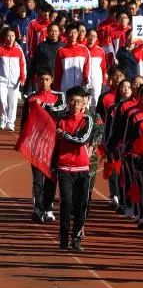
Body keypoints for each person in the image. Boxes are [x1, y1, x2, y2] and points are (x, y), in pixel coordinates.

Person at [22, 67, 65, 222]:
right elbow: (25, 122)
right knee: (37, 178)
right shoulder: (31, 98)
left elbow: (60, 113)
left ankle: (48, 208)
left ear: (52, 80)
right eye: (41, 79)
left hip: (54, 144)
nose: (44, 82)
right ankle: (38, 208)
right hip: (36, 144)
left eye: (47, 79)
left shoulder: (60, 97)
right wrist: (24, 141)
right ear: (36, 80)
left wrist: (43, 105)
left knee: (52, 177)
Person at [55, 86, 95, 251]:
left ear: (83, 102)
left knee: (81, 205)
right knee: (66, 203)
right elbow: (54, 145)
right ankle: (63, 239)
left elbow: (81, 140)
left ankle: (76, 238)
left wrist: (63, 134)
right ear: (67, 101)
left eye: (78, 101)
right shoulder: (61, 120)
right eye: (72, 100)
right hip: (64, 168)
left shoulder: (87, 120)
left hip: (82, 169)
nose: (75, 104)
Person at [0, 27, 26, 130]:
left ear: (15, 37)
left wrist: (23, 78)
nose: (10, 38)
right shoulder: (1, 49)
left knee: (13, 102)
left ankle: (10, 122)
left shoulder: (18, 50)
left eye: (12, 36)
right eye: (8, 36)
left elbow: (22, 64)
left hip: (15, 81)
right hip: (2, 80)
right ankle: (2, 119)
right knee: (2, 100)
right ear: (4, 37)